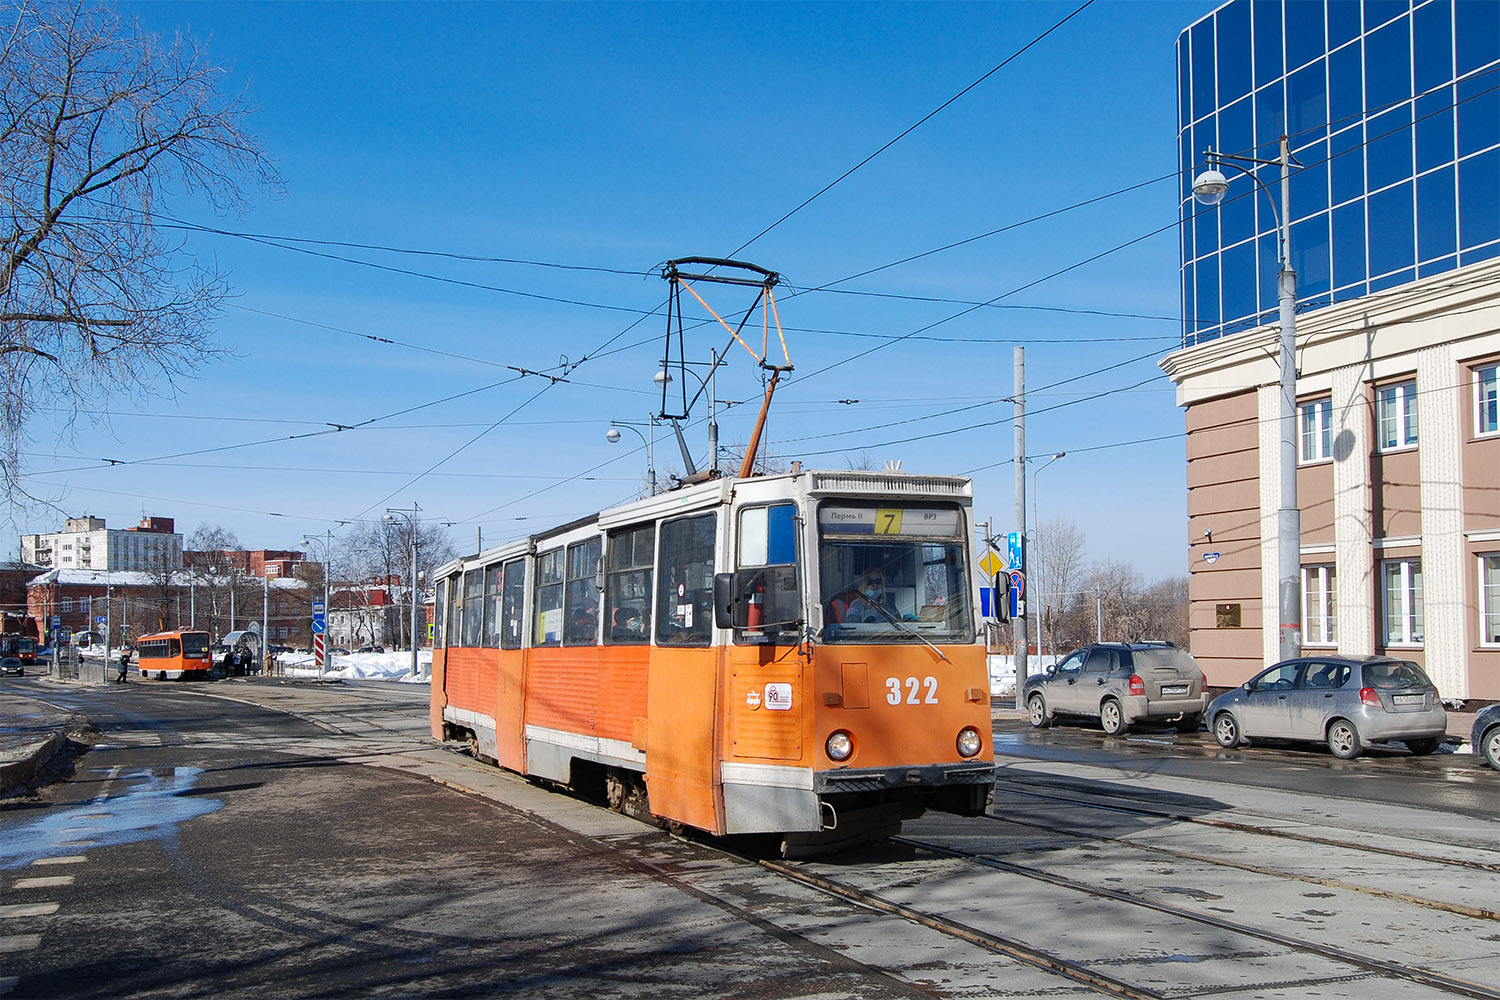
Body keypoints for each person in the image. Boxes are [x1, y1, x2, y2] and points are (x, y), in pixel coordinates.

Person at [827, 571, 902, 624]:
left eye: (878, 581)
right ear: (863, 584)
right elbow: (853, 630)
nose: (874, 585)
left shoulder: (889, 604)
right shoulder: (856, 605)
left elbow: (899, 623)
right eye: (870, 582)